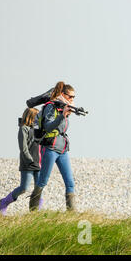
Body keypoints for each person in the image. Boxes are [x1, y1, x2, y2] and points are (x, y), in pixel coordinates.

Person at [29, 81, 76, 212]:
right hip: (50, 147)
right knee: (43, 181)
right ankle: (33, 210)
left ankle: (72, 213)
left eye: (74, 97)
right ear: (63, 94)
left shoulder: (64, 107)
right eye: (70, 96)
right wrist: (62, 115)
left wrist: (65, 113)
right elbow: (49, 127)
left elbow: (62, 128)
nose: (72, 99)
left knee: (70, 183)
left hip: (63, 149)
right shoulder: (51, 107)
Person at [0, 108, 42, 215]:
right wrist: (30, 160)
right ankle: (4, 202)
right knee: (24, 188)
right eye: (37, 116)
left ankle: (36, 212)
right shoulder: (23, 129)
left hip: (39, 163)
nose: (39, 118)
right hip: (28, 163)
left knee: (39, 188)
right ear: (31, 116)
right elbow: (23, 148)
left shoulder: (38, 128)